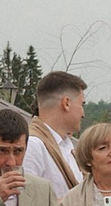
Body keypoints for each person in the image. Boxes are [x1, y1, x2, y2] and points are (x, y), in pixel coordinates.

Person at [23, 69, 90, 197]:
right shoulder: (33, 145)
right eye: (82, 104)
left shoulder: (67, 147)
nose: (83, 114)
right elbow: (27, 203)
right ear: (66, 103)